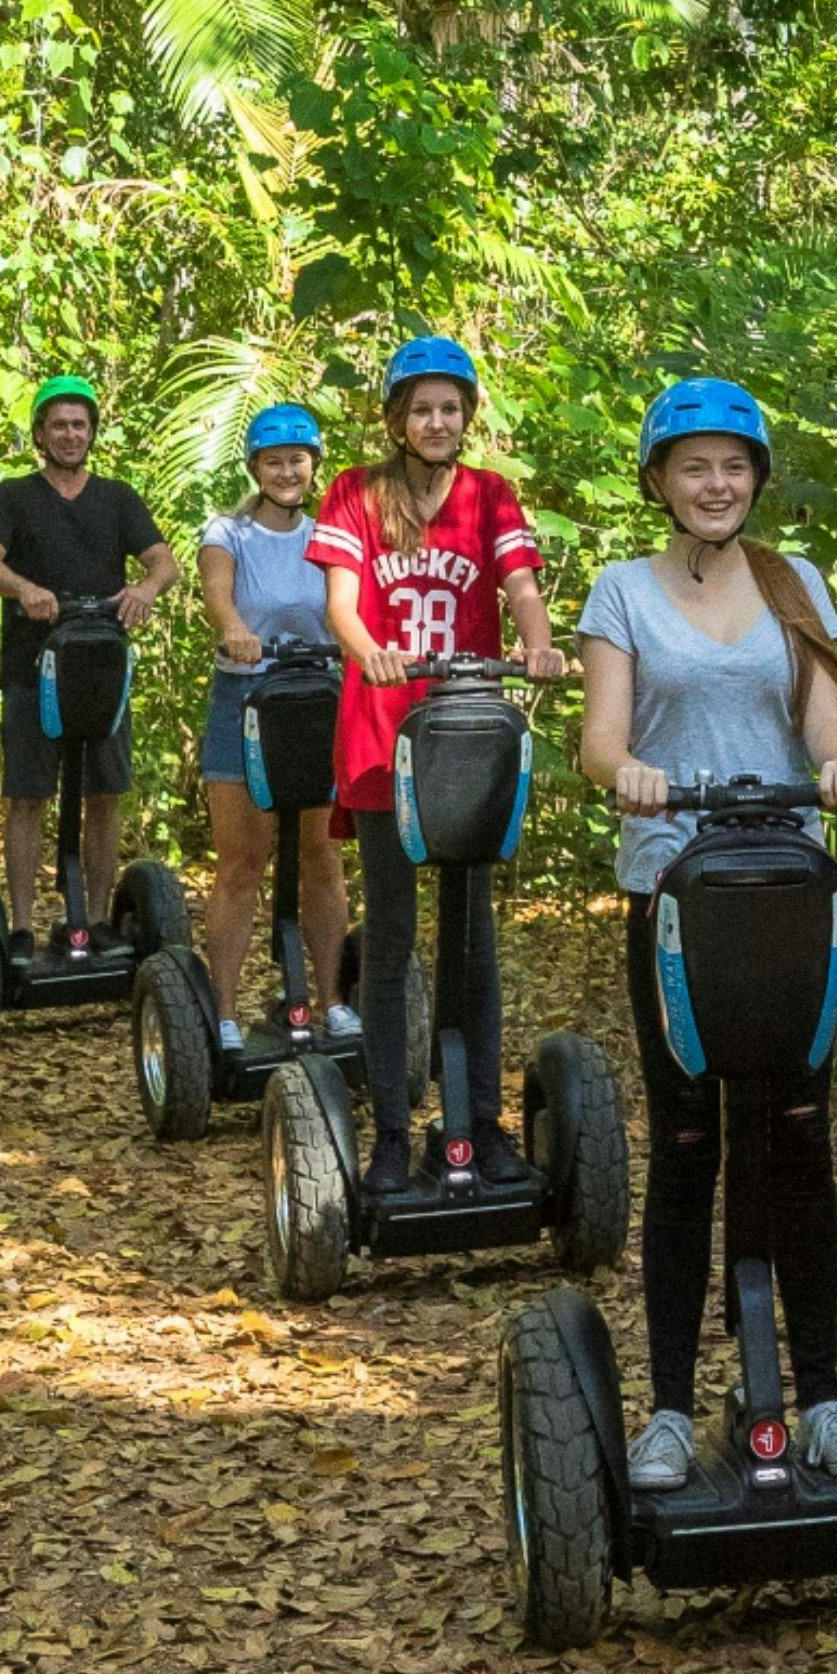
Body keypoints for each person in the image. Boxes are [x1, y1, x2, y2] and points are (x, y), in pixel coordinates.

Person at [575, 376, 837, 1491]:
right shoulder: (621, 591)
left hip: (786, 890)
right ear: (660, 478)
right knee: (689, 1141)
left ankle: (822, 1398)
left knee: (799, 1134)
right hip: (675, 895)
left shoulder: (791, 584)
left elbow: (824, 717)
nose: (717, 484)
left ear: (757, 478)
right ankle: (665, 1408)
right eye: (695, 465)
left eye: (734, 466)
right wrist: (632, 775)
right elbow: (597, 740)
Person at [308, 335, 567, 1197]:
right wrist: (370, 650)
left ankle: (479, 1124)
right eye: (420, 408)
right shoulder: (355, 492)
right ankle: (389, 1131)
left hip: (466, 734)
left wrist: (537, 644)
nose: (436, 421)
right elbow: (340, 604)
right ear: (395, 418)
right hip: (385, 736)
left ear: (466, 415)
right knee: (390, 936)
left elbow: (520, 584)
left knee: (473, 939)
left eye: (449, 408)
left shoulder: (491, 495)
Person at [0, 375, 179, 953]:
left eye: (78, 425)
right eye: (58, 424)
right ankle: (19, 925)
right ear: (40, 433)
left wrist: (145, 589)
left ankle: (98, 920)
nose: (69, 434)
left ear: (91, 432)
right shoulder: (13, 496)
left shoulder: (117, 497)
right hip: (31, 670)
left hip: (101, 673)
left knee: (105, 794)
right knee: (28, 795)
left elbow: (164, 561)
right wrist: (25, 589)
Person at [198, 404, 356, 1055]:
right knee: (242, 861)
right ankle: (226, 1013)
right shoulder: (227, 531)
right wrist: (234, 629)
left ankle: (333, 1003)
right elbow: (216, 593)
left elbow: (351, 610)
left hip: (318, 705)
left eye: (296, 460)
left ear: (312, 466)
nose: (286, 471)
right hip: (246, 701)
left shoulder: (330, 536)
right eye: (274, 461)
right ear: (255, 469)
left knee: (321, 860)